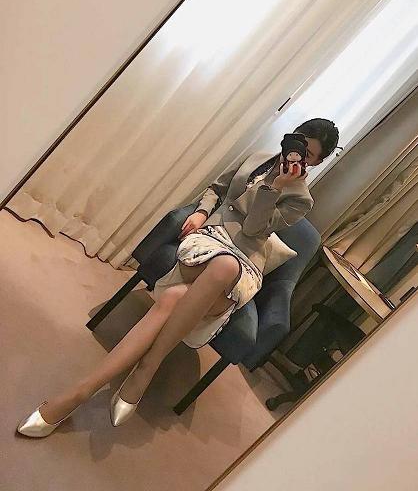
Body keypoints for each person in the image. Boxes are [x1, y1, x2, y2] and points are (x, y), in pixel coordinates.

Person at [17, 118, 339, 436]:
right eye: (299, 142)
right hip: (210, 240)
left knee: (179, 295)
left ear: (316, 162)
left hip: (246, 262)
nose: (298, 154)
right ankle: (144, 372)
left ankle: (81, 392)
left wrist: (276, 186)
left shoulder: (300, 199)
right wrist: (200, 211)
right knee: (221, 267)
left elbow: (255, 229)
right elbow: (217, 189)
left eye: (309, 154)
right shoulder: (257, 158)